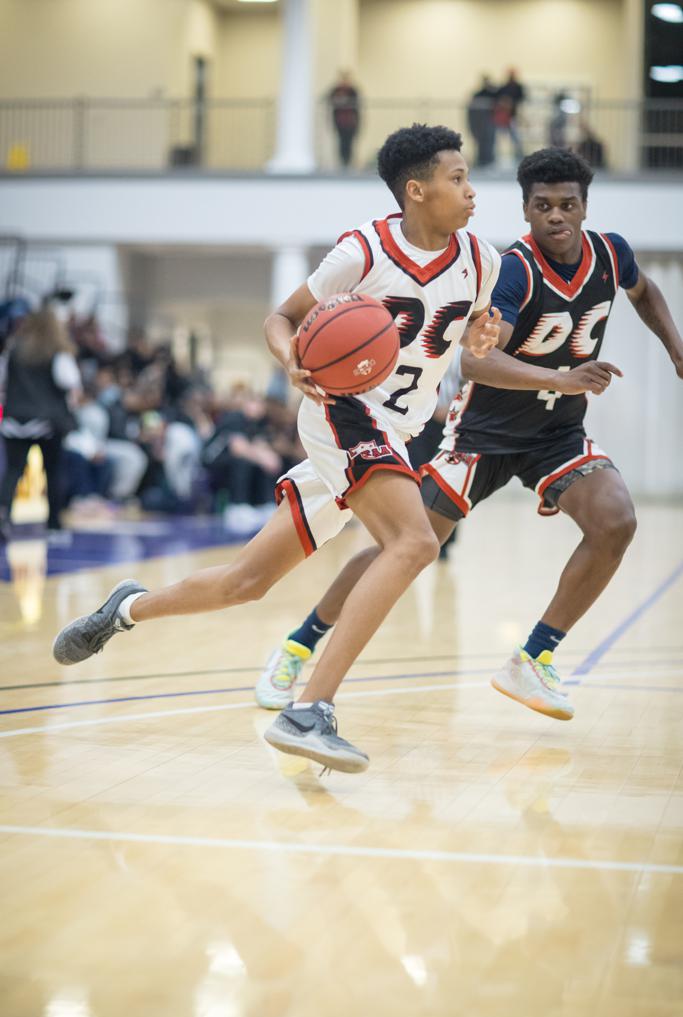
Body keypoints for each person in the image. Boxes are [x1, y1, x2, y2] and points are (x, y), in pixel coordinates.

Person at [52, 124, 502, 773]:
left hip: (396, 433)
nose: (469, 190)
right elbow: (280, 318)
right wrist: (289, 358)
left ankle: (124, 610)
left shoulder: (481, 259)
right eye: (456, 178)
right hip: (343, 414)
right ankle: (309, 710)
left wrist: (482, 340)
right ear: (416, 190)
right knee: (414, 543)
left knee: (246, 583)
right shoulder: (362, 251)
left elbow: (479, 335)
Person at [256, 147, 683, 725]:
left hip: (557, 432)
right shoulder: (514, 268)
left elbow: (645, 292)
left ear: (585, 207)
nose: (556, 216)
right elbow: (479, 362)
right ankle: (301, 643)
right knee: (402, 548)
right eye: (542, 206)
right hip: (480, 436)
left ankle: (534, 656)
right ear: (526, 211)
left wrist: (675, 349)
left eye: (568, 204)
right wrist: (558, 374)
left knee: (616, 522)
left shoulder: (613, 253)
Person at [0, 307, 81, 542]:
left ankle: (3, 516)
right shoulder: (56, 351)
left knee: (13, 472)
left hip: (14, 419)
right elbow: (69, 380)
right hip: (47, 422)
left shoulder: (14, 350)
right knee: (53, 472)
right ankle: (54, 525)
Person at [327, 71, 361, 168]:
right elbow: (330, 99)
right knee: (341, 142)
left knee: (349, 143)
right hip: (340, 122)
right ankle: (342, 163)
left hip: (350, 122)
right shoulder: (336, 90)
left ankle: (348, 163)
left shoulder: (353, 91)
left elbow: (357, 106)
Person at [494, 68, 526, 162]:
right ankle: (495, 158)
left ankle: (519, 157)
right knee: (498, 139)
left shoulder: (518, 87)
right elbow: (497, 98)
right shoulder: (504, 87)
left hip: (512, 117)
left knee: (516, 138)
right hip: (502, 117)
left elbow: (522, 99)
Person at [467, 75, 497, 168]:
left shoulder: (493, 93)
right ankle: (481, 161)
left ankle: (489, 161)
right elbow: (472, 111)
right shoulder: (478, 94)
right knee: (481, 144)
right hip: (480, 123)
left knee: (490, 143)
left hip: (490, 123)